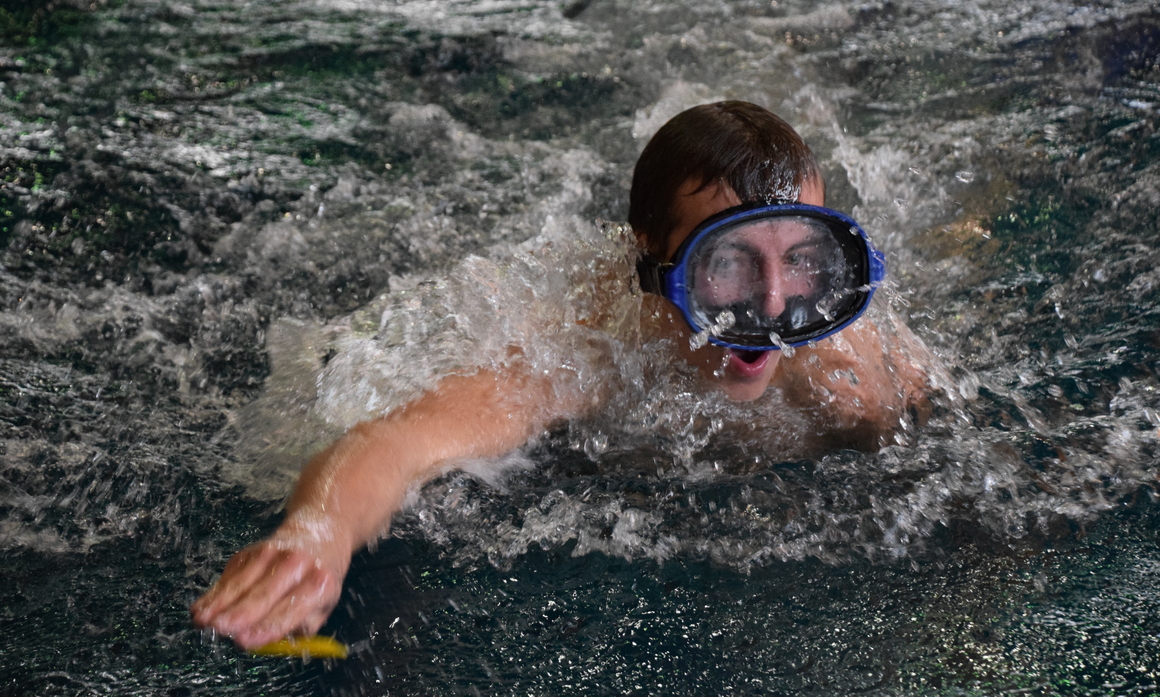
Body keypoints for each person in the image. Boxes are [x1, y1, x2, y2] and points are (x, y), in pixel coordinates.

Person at [190, 101, 933, 649]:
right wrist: (318, 531)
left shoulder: (847, 361)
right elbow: (400, 442)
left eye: (801, 258)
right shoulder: (579, 347)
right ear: (652, 253)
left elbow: (951, 471)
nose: (772, 305)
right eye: (728, 261)